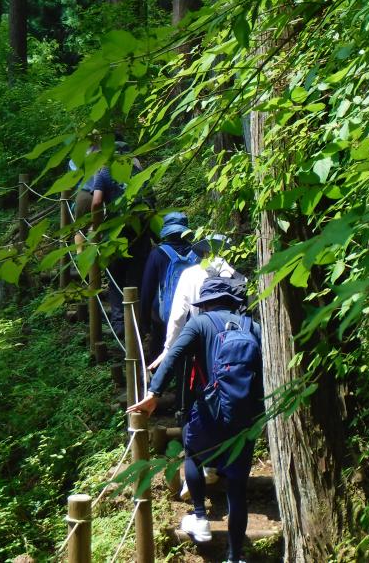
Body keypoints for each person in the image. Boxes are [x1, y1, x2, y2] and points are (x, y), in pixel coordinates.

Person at [127, 277, 263, 563]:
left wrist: (154, 393)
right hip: (244, 418)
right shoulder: (253, 327)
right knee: (237, 489)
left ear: (205, 303)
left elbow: (174, 354)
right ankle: (234, 556)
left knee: (194, 456)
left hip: (208, 411)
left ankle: (200, 516)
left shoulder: (199, 324)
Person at [150, 234, 245, 371]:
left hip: (202, 343)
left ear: (205, 252)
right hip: (235, 347)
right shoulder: (240, 278)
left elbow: (178, 316)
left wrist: (168, 348)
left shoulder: (190, 274)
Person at [89, 141, 151, 337]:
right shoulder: (141, 175)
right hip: (139, 234)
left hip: (114, 236)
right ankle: (137, 329)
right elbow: (151, 203)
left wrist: (97, 228)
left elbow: (97, 202)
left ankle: (119, 327)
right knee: (135, 281)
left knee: (115, 279)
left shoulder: (105, 173)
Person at [139, 212, 194, 362]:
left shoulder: (157, 254)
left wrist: (144, 322)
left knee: (159, 354)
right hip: (192, 314)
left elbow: (147, 290)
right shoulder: (196, 252)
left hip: (163, 317)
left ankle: (158, 382)